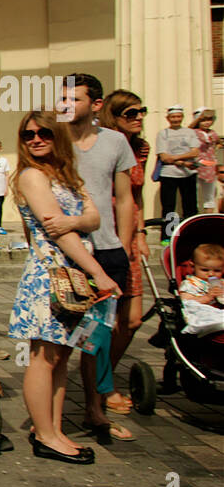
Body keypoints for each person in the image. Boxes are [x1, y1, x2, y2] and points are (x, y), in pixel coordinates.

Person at [7, 111, 120, 462]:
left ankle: (55, 429)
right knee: (44, 357)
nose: (36, 139)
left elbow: (94, 217)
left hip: (73, 277)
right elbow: (62, 233)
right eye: (28, 135)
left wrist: (75, 219)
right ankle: (45, 434)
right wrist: (99, 272)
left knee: (62, 355)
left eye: (44, 133)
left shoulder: (67, 175)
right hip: (51, 277)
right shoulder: (31, 176)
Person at [59, 73, 136, 442]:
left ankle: (94, 408)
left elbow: (124, 197)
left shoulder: (116, 141)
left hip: (107, 249)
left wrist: (123, 244)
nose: (66, 105)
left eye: (74, 98)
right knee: (61, 337)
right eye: (63, 98)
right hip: (67, 251)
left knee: (99, 335)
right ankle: (55, 419)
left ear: (97, 105)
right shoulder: (53, 139)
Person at [98, 91, 150, 416]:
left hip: (130, 237)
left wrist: (141, 233)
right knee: (106, 321)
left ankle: (106, 373)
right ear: (113, 116)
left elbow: (138, 195)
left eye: (140, 111)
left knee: (131, 320)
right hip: (106, 235)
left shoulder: (141, 148)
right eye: (130, 113)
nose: (138, 117)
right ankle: (102, 385)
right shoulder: (104, 144)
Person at [155, 105, 199, 226]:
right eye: (173, 117)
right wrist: (184, 162)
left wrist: (174, 158)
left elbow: (195, 152)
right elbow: (163, 156)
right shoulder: (163, 133)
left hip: (188, 174)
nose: (176, 119)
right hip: (169, 174)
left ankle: (191, 234)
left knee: (190, 206)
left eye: (178, 116)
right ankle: (167, 237)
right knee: (169, 208)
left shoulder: (190, 132)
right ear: (168, 118)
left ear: (182, 117)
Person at [191, 108, 221, 214]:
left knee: (209, 196)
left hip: (210, 166)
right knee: (195, 195)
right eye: (204, 120)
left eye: (209, 119)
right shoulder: (194, 132)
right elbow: (188, 129)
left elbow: (216, 143)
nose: (207, 122)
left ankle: (208, 218)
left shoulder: (213, 133)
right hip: (196, 165)